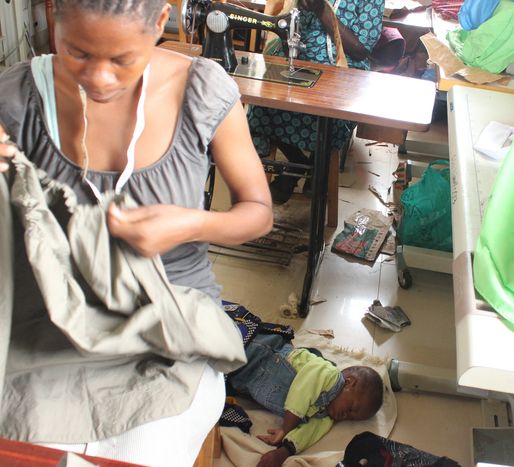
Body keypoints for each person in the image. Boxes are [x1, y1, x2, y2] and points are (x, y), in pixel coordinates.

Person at [0, 0, 272, 465]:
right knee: (30, 450)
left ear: (160, 24)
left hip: (168, 319)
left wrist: (190, 223)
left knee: (145, 452)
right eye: (77, 53)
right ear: (55, 25)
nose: (99, 79)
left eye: (122, 60)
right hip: (50, 318)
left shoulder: (201, 91)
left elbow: (258, 212)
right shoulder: (17, 96)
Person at [247, 0, 385, 204]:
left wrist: (322, 11)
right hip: (297, 56)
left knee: (330, 115)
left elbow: (361, 48)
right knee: (262, 105)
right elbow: (280, 18)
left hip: (342, 64)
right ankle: (301, 164)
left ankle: (309, 166)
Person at [227, 333, 384, 467]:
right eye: (351, 408)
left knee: (218, 376)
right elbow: (301, 391)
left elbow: (308, 434)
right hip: (261, 354)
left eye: (351, 418)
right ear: (349, 382)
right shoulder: (328, 375)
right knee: (222, 341)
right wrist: (286, 428)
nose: (345, 416)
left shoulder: (326, 417)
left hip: (245, 379)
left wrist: (283, 452)